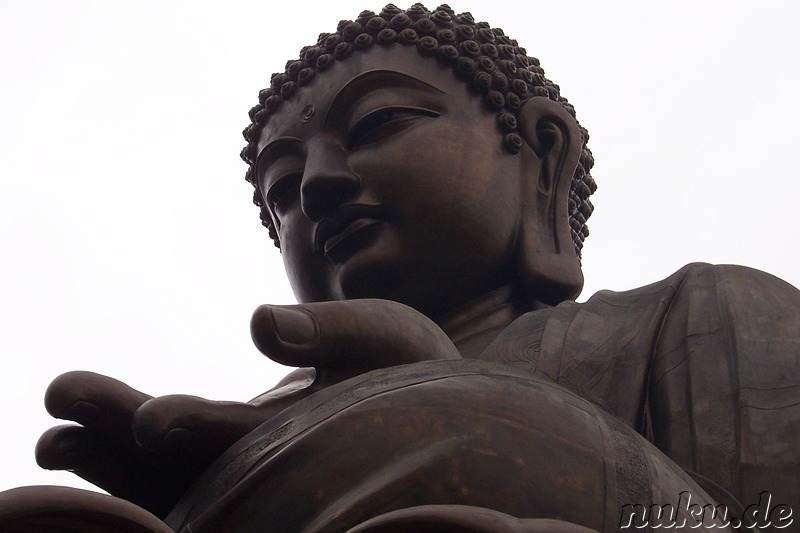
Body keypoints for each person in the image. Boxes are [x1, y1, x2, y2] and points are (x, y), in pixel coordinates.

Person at [3, 4, 798, 531]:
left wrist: (477, 422)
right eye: (281, 191)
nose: (314, 186)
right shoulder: (258, 423)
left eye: (379, 122)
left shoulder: (698, 317)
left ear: (542, 158)